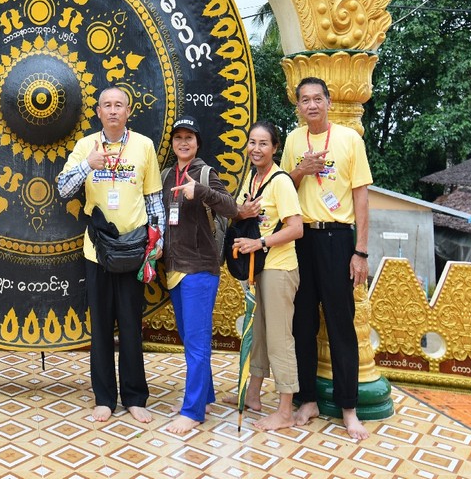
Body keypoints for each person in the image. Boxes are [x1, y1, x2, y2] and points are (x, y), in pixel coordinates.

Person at [56, 86, 163, 424]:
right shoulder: (86, 146)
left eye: (119, 105)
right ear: (99, 112)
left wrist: (157, 244)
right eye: (107, 105)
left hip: (134, 248)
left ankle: (135, 397)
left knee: (131, 326)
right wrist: (87, 165)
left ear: (128, 111)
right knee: (100, 327)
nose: (113, 110)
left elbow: (154, 201)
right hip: (98, 250)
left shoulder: (144, 146)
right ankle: (104, 399)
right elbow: (63, 189)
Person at [282, 77, 373, 441]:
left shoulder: (349, 139)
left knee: (340, 325)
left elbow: (361, 196)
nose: (312, 105)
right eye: (305, 100)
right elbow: (282, 187)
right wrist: (300, 170)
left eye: (317, 98)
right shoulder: (293, 140)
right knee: (302, 324)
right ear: (298, 107)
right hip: (301, 239)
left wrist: (360, 251)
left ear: (329, 102)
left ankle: (349, 409)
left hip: (338, 239)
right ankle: (307, 400)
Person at [160, 116, 237, 435]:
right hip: (173, 267)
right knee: (189, 337)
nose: (183, 142)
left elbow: (231, 208)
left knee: (197, 342)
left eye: (189, 137)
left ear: (198, 143)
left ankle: (192, 411)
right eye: (178, 137)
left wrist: (201, 191)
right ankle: (204, 397)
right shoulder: (166, 175)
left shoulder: (205, 173)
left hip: (201, 268)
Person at [228, 120, 304, 432]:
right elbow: (243, 213)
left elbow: (296, 228)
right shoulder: (252, 177)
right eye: (252, 142)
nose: (256, 149)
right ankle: (254, 395)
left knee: (278, 338)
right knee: (257, 333)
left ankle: (285, 411)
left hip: (279, 268)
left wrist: (259, 243)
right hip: (257, 268)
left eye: (263, 143)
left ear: (275, 148)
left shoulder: (281, 181)